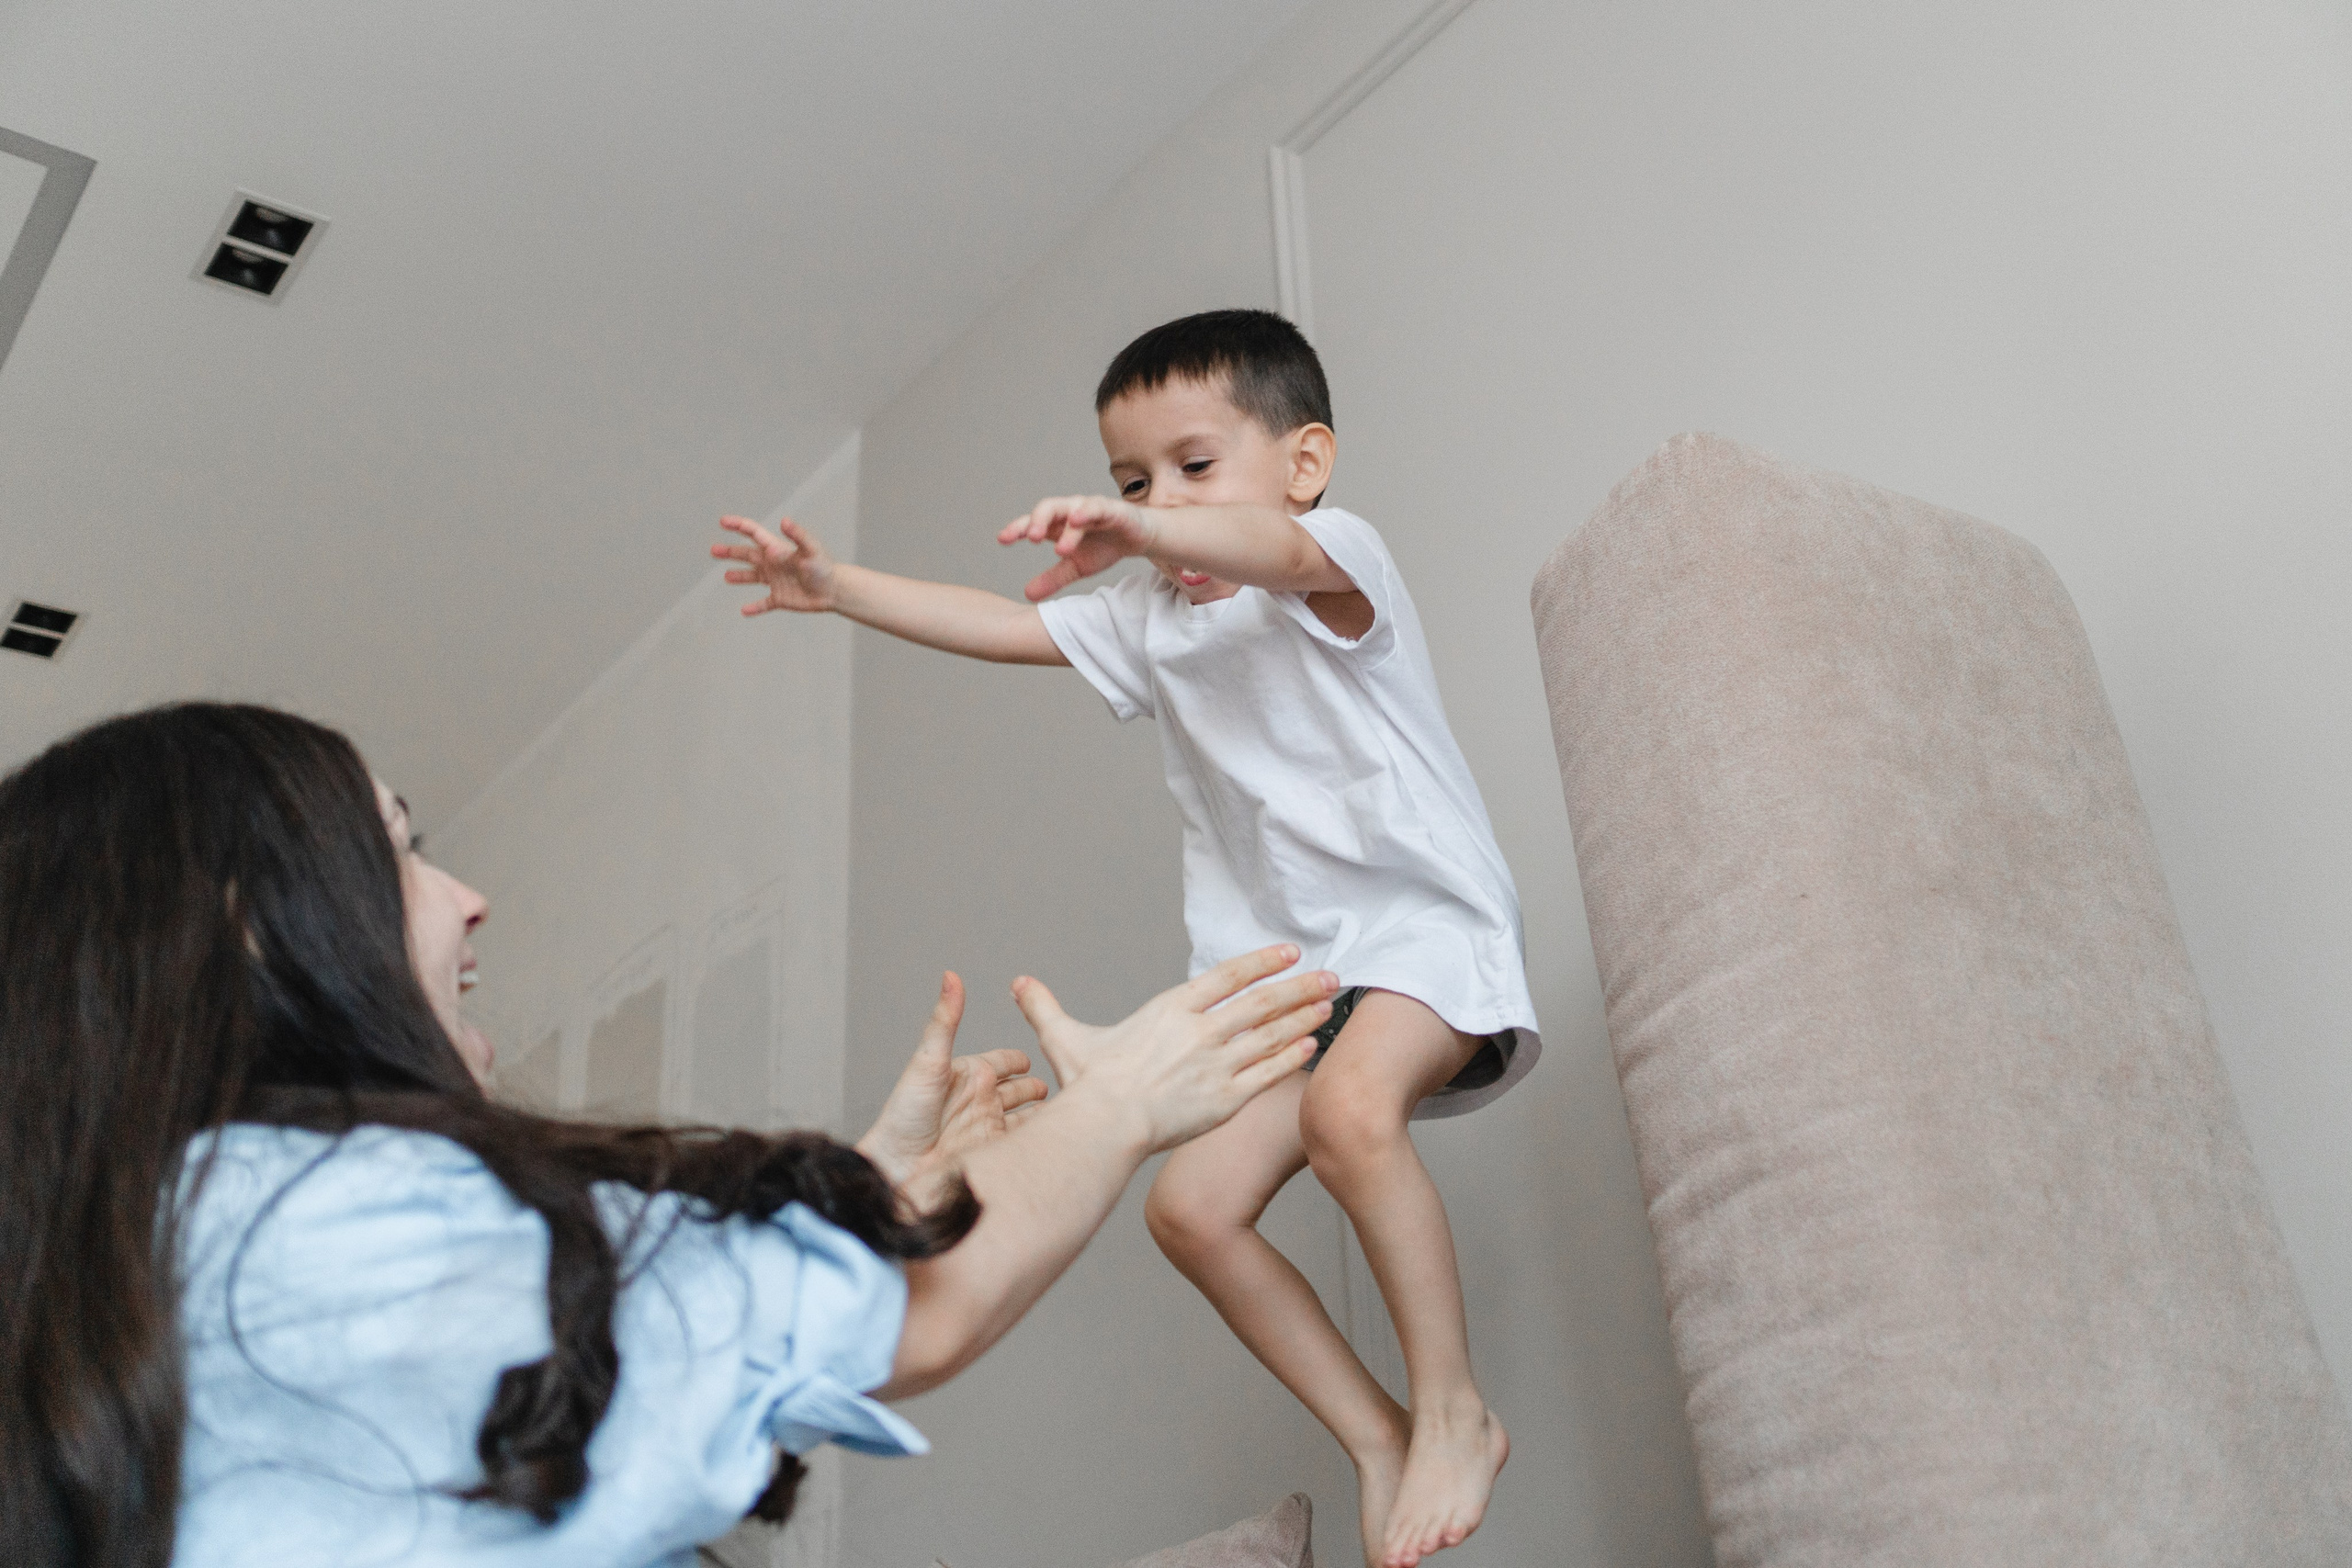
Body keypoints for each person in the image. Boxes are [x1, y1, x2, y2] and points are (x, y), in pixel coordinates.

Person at [0, 701, 1337, 1567]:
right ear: (253, 924)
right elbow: (918, 1313)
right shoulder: (326, 1228)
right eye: (398, 853)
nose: (467, 901)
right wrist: (1128, 1096)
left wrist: (871, 1190)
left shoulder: (163, 1267)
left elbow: (582, 1426)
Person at [709, 309, 1539, 1568]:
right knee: (1189, 1211)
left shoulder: (1330, 557)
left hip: (1421, 935)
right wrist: (835, 591)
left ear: (1303, 463)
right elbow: (1000, 625)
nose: (1155, 503)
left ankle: (1456, 1410)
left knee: (1351, 1114)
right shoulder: (1156, 619)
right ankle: (1377, 1432)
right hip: (1294, 977)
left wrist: (1154, 528)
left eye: (1193, 466)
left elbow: (1262, 546)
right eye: (1131, 480)